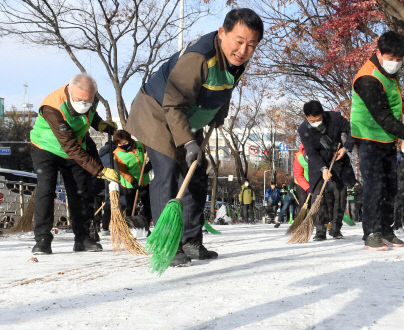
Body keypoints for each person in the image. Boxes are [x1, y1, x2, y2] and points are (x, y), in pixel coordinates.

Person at [126, 8, 263, 266]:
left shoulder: (238, 62)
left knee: (196, 176)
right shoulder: (198, 58)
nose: (243, 50)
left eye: (251, 45)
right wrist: (189, 142)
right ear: (222, 33)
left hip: (187, 116)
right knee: (168, 174)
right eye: (239, 41)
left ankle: (191, 241)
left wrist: (219, 113)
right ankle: (168, 244)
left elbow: (225, 88)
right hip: (157, 111)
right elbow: (173, 103)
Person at [351, 31, 404, 250]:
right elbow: (383, 117)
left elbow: (393, 106)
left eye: (398, 59)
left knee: (390, 186)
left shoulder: (389, 74)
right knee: (375, 185)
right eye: (390, 57)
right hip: (368, 137)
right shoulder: (368, 78)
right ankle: (371, 233)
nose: (394, 63)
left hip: (386, 139)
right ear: (379, 53)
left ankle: (386, 228)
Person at [28, 73, 120, 254]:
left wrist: (100, 124)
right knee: (46, 190)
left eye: (89, 101)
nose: (85, 104)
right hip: (47, 148)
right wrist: (100, 170)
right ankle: (43, 239)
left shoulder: (89, 99)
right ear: (70, 90)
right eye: (80, 100)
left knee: (80, 191)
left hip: (75, 147)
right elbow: (69, 146)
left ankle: (83, 238)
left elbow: (89, 114)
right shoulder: (52, 107)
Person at [297, 99, 356, 240]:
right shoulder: (303, 129)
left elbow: (352, 130)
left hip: (338, 158)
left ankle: (336, 228)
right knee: (318, 196)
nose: (316, 122)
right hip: (318, 165)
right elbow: (311, 152)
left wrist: (346, 148)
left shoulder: (334, 118)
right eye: (312, 120)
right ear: (306, 117)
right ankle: (320, 230)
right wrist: (323, 169)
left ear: (323, 114)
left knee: (340, 195)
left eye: (318, 119)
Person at [111, 130, 152, 229]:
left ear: (129, 140)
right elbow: (123, 171)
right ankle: (130, 225)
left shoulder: (139, 145)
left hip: (144, 181)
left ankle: (146, 225)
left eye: (125, 143)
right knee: (130, 206)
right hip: (129, 185)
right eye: (119, 144)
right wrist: (132, 181)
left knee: (147, 205)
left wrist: (150, 165)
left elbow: (152, 153)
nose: (122, 145)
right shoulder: (117, 154)